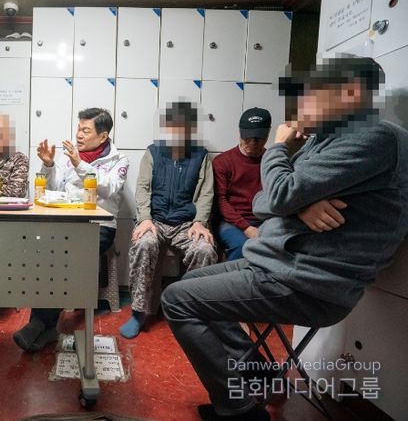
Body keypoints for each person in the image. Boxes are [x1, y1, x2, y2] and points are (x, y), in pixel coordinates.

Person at [161, 56, 408, 421]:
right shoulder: (325, 141)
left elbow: (276, 196)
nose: (299, 106)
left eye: (310, 94)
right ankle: (259, 373)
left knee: (177, 300)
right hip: (277, 263)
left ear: (351, 93)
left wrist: (278, 149)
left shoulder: (375, 138)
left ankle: (239, 412)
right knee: (189, 284)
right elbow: (264, 202)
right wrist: (298, 204)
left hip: (308, 282)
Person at [13, 107, 129, 353]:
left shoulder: (118, 161)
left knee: (63, 256)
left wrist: (79, 164)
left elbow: (108, 188)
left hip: (99, 227)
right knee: (43, 253)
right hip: (67, 223)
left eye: (86, 130)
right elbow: (53, 190)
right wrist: (49, 165)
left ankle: (39, 324)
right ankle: (45, 327)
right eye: (78, 128)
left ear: (103, 136)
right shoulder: (70, 156)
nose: (79, 135)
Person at [119, 101, 218, 339]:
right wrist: (145, 218)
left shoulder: (201, 156)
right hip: (155, 221)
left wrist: (200, 221)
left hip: (187, 223)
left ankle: (190, 312)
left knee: (205, 250)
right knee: (144, 244)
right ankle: (139, 313)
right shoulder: (153, 152)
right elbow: (142, 188)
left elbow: (206, 193)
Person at [212, 107, 272, 260]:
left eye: (258, 139)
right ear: (240, 133)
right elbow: (221, 201)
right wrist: (246, 227)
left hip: (265, 220)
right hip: (230, 222)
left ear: (267, 135)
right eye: (247, 138)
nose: (252, 144)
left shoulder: (273, 161)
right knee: (242, 247)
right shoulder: (223, 162)